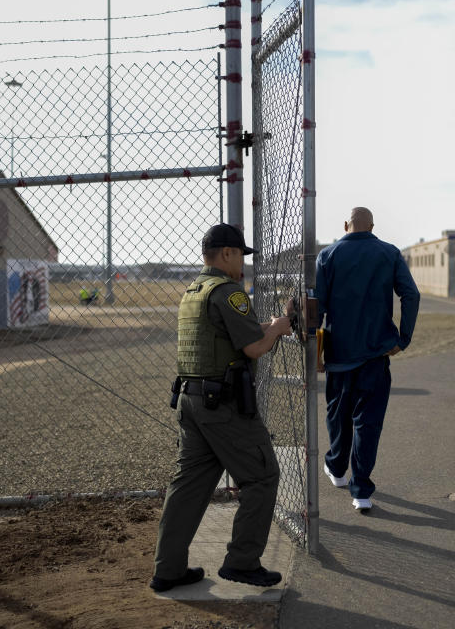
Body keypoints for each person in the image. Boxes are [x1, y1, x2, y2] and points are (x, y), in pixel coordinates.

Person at [150, 223, 293, 593]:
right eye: (240, 255)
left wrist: (273, 325)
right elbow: (253, 348)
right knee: (261, 477)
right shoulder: (230, 293)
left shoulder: (194, 291)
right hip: (224, 408)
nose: (243, 263)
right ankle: (242, 562)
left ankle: (168, 569)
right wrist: (277, 330)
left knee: (188, 487)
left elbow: (232, 334)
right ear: (226, 253)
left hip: (191, 403)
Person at [316, 207, 420, 513]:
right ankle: (360, 490)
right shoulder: (388, 253)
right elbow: (411, 295)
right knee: (367, 423)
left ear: (345, 224)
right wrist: (403, 338)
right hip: (376, 355)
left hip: (339, 355)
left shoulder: (328, 256)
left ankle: (336, 467)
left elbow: (317, 308)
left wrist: (316, 354)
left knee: (337, 415)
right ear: (372, 226)